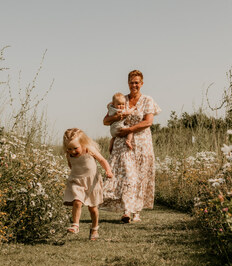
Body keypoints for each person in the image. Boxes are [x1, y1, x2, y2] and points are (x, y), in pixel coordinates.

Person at [101, 70, 161, 223]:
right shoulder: (121, 99)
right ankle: (127, 210)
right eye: (131, 82)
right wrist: (118, 117)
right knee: (127, 176)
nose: (134, 85)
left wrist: (129, 130)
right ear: (128, 83)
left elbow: (148, 122)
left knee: (140, 176)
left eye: (137, 82)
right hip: (123, 144)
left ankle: (137, 212)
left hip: (142, 142)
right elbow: (105, 120)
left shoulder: (147, 100)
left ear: (141, 83)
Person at [63, 128, 113, 240]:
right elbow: (71, 165)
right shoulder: (69, 154)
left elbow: (102, 160)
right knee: (77, 201)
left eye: (75, 148)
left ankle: (94, 228)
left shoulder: (89, 149)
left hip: (92, 182)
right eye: (69, 148)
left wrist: (108, 171)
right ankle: (75, 225)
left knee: (93, 209)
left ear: (83, 143)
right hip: (77, 180)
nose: (72, 151)